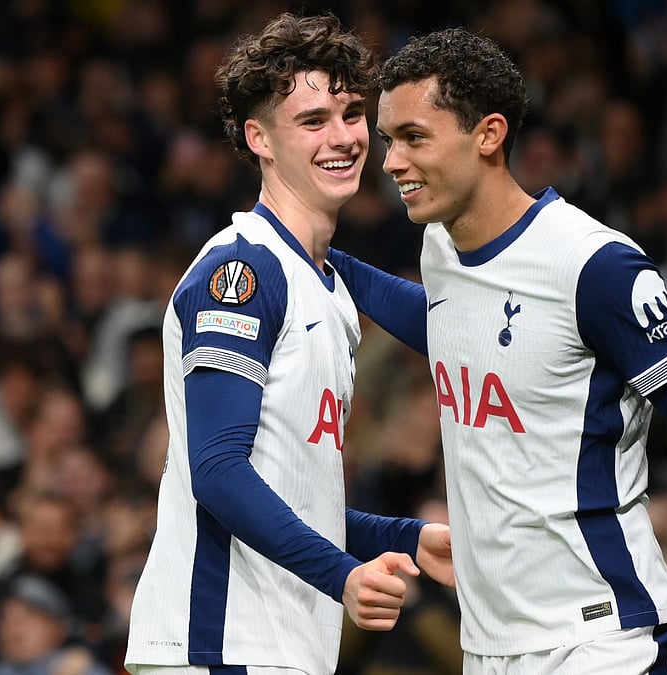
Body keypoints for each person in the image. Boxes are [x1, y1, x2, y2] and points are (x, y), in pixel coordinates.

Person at [328, 27, 667, 675]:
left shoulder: (597, 267)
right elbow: (458, 330)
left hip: (604, 637)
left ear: (489, 134)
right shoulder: (442, 245)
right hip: (491, 642)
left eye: (414, 137)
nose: (390, 162)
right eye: (389, 140)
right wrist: (317, 251)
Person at [124, 13, 453, 675]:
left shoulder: (327, 286)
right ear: (260, 138)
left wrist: (406, 538)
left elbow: (295, 496)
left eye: (351, 115)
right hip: (221, 641)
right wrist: (342, 576)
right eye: (311, 121)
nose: (342, 138)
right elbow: (217, 472)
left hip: (276, 646)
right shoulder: (240, 271)